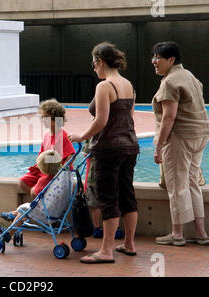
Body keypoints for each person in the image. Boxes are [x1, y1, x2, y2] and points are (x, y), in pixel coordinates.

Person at [68, 42, 139, 263]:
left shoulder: (105, 87)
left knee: (108, 198)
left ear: (100, 61)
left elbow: (101, 121)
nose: (93, 68)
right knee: (127, 195)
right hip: (130, 146)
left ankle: (106, 251)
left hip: (108, 149)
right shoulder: (128, 85)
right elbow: (129, 117)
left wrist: (81, 137)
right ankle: (129, 243)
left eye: (93, 63)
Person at [151, 41, 209, 246]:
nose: (154, 61)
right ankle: (201, 232)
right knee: (192, 182)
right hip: (201, 135)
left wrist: (158, 145)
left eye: (158, 57)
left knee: (177, 185)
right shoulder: (191, 77)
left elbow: (169, 117)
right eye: (154, 57)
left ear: (171, 60)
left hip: (180, 137)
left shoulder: (170, 82)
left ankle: (177, 234)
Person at [0, 149, 63, 240]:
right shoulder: (60, 179)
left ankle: (9, 233)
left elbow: (34, 193)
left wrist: (33, 189)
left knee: (22, 211)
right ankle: (12, 215)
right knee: (24, 209)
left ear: (43, 168)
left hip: (46, 212)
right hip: (57, 210)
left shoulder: (44, 181)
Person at [18, 99, 76, 195]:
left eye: (46, 117)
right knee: (22, 182)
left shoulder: (62, 136)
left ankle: (40, 200)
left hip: (54, 173)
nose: (42, 119)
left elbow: (71, 156)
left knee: (37, 189)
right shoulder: (47, 136)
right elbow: (41, 156)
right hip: (44, 170)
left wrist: (62, 170)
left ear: (56, 119)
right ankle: (40, 199)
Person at [82, 140, 124, 240]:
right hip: (112, 175)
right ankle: (116, 229)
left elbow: (86, 156)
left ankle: (97, 228)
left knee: (95, 204)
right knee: (112, 203)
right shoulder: (115, 133)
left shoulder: (92, 135)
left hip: (94, 176)